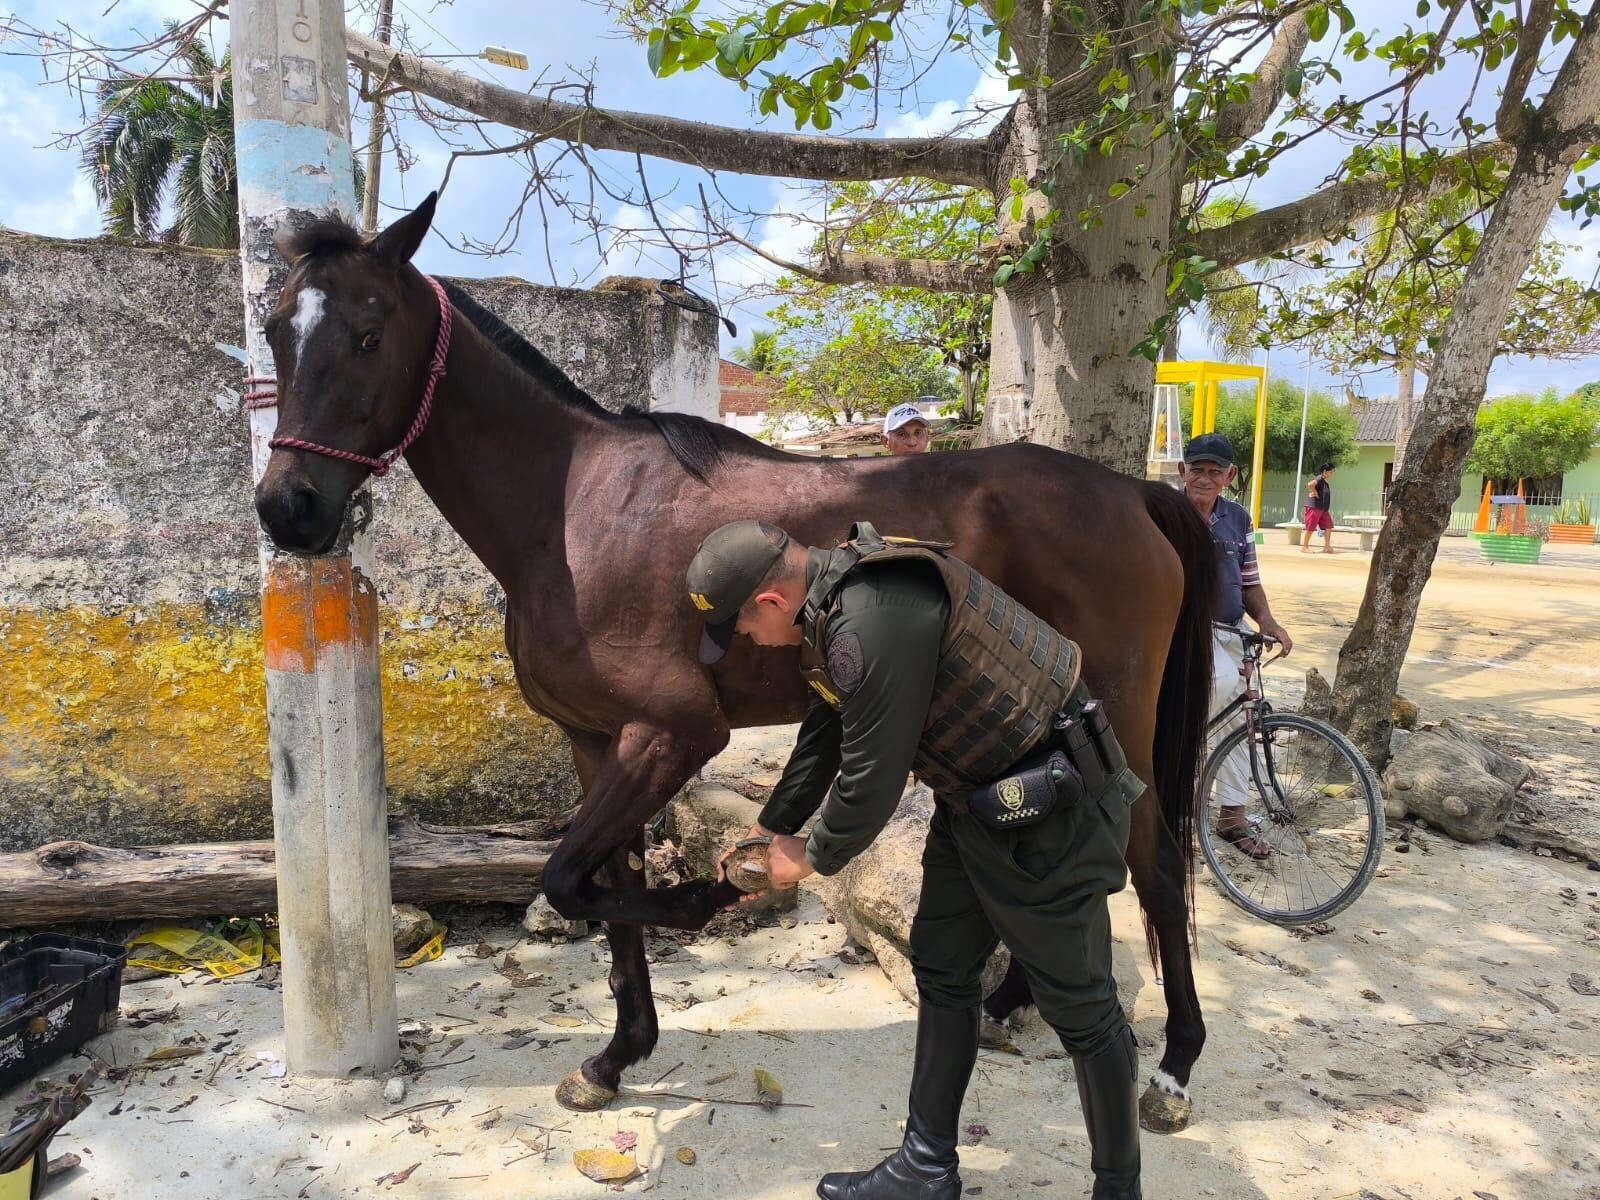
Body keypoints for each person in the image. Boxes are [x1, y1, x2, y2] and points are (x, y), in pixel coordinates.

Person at [687, 519, 1146, 1200]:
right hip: (977, 805)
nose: (747, 642)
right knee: (943, 965)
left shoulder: (871, 617)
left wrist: (807, 858)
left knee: (1082, 1007)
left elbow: (870, 782)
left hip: (1051, 810)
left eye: (742, 628)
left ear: (773, 602)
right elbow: (832, 725)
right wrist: (770, 828)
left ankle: (1119, 1188)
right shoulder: (835, 604)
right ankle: (926, 1168)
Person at [1178, 433, 1294, 861]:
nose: (1204, 480)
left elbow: (1249, 582)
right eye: (1197, 470)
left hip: (1230, 630)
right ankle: (1173, 784)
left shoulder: (1239, 519)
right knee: (1224, 686)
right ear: (1182, 472)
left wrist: (1267, 621)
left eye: (1214, 472)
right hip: (1184, 630)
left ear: (1229, 476)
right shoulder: (1167, 514)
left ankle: (1231, 816)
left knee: (1239, 720)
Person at [1301, 461, 1337, 553]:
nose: (1332, 474)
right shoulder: (1319, 478)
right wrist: (1314, 492)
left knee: (1329, 525)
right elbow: (1310, 484)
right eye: (1331, 471)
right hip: (1314, 507)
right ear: (1325, 471)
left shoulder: (1324, 482)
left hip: (1323, 509)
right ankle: (1304, 547)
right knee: (1311, 527)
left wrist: (1315, 491)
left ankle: (1327, 547)